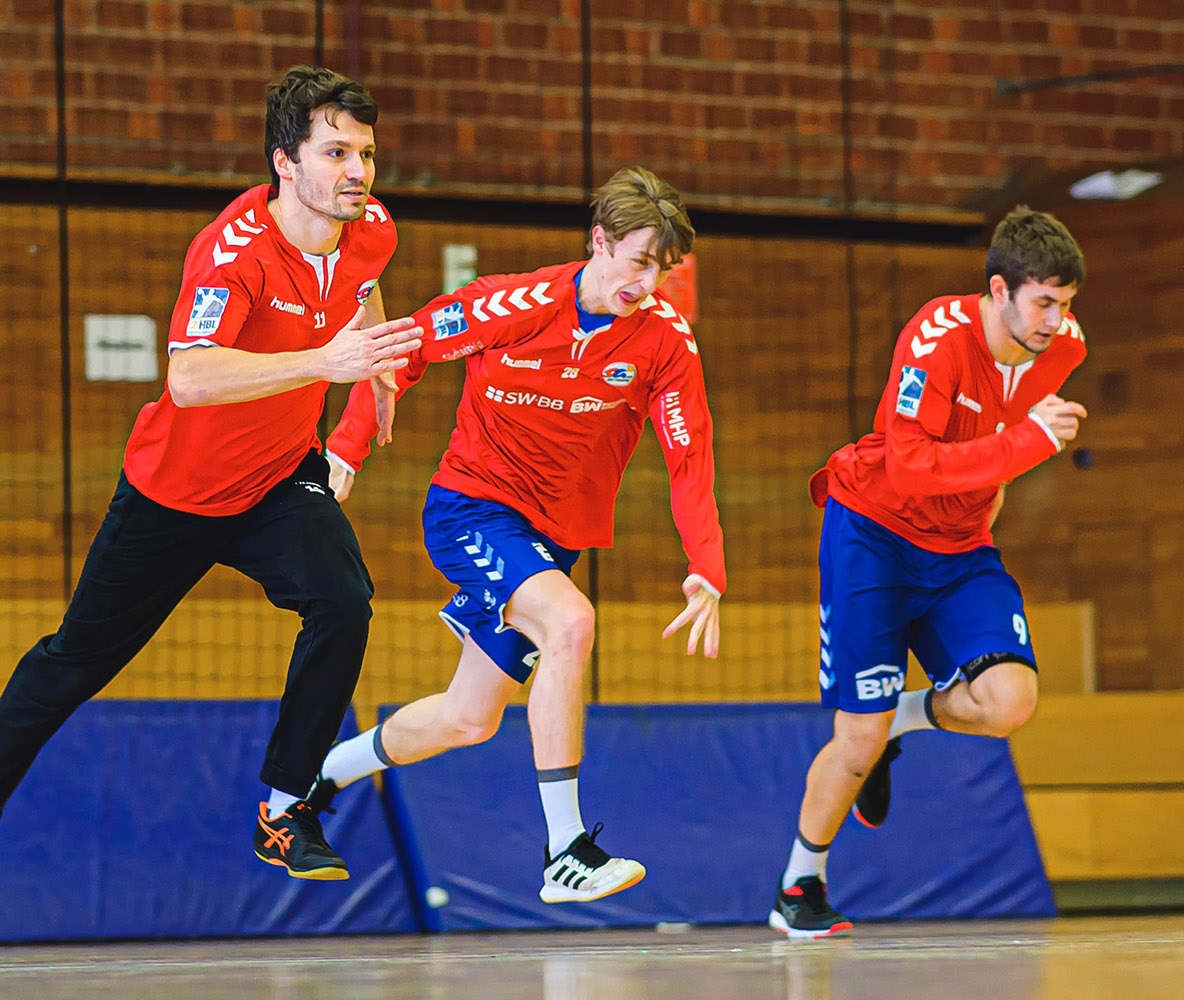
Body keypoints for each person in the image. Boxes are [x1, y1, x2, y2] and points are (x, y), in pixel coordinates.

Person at [0, 66, 420, 956]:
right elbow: (190, 377)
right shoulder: (232, 251)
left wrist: (372, 378)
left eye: (366, 153)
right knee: (70, 666)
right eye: (335, 151)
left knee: (343, 601)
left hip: (275, 481)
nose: (358, 170)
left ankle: (282, 804)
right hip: (171, 495)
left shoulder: (370, 230)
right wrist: (326, 364)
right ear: (285, 162)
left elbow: (365, 298)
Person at [315, 166, 725, 905]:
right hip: (471, 510)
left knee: (468, 718)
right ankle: (566, 849)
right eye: (637, 261)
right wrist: (345, 443)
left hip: (548, 542)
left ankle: (322, 771)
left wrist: (706, 565)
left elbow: (689, 453)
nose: (648, 283)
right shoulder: (515, 303)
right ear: (598, 242)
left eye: (661, 268)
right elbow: (400, 348)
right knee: (570, 621)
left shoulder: (664, 342)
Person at [769, 206, 1088, 939]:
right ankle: (799, 885)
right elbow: (912, 468)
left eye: (1066, 303)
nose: (1056, 319)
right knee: (855, 738)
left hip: (960, 546)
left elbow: (999, 450)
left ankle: (902, 720)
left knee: (1009, 701)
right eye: (1043, 301)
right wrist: (1027, 442)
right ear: (999, 289)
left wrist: (994, 492)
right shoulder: (935, 340)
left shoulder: (1064, 346)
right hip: (873, 536)